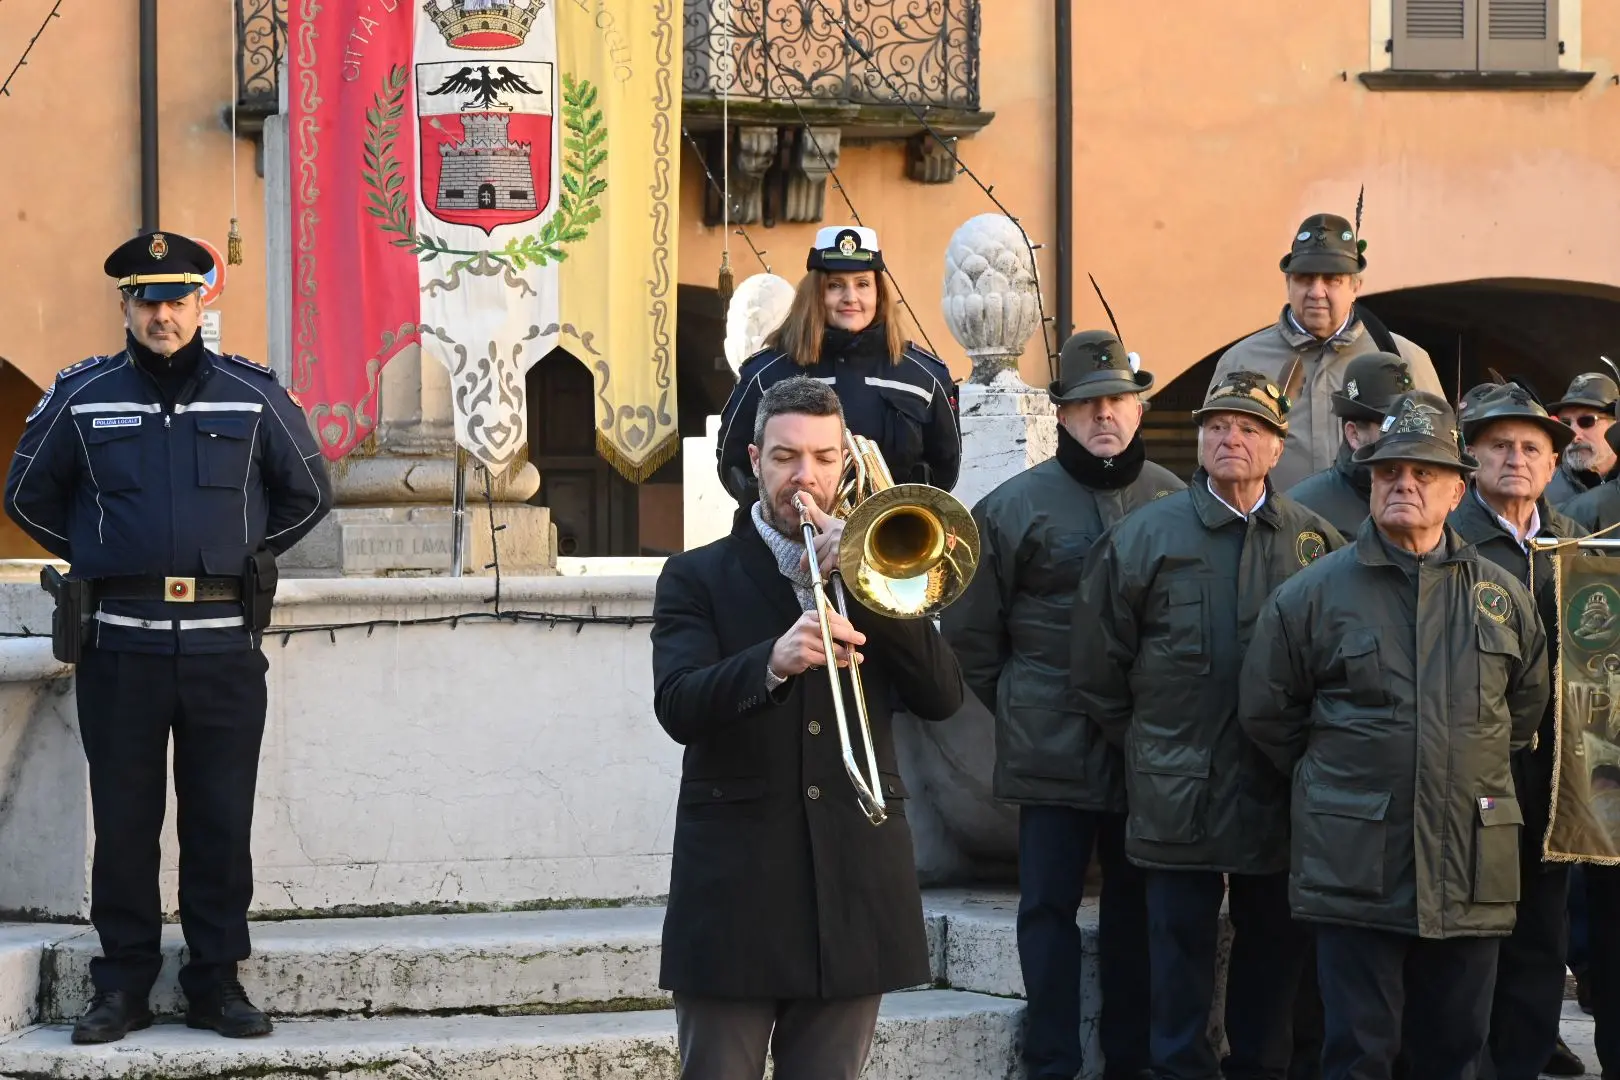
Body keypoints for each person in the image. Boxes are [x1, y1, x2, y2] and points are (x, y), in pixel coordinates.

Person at [3, 231, 333, 1043]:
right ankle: (121, 988)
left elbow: (308, 493)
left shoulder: (250, 395)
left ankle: (217, 983)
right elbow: (26, 496)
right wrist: (106, 554)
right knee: (124, 823)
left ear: (201, 302)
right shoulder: (84, 395)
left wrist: (238, 554)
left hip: (223, 644)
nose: (163, 313)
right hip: (122, 644)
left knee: (219, 821)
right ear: (125, 304)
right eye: (147, 299)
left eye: (178, 298)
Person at [650, 375, 965, 1080]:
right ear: (757, 459)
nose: (806, 477)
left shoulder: (881, 567)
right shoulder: (696, 577)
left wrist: (870, 591)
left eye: (825, 458)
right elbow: (677, 704)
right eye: (788, 457)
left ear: (844, 464)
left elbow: (943, 695)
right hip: (738, 890)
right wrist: (769, 662)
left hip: (853, 886)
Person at [1240, 391, 1549, 1080]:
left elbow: (1522, 715)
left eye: (1422, 474)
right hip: (1357, 860)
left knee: (1454, 1049)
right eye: (1388, 473)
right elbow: (1269, 712)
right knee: (1358, 1050)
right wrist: (1346, 779)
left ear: (1457, 489)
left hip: (1471, 858)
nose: (1403, 484)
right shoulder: (1313, 594)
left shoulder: (1500, 595)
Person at [1072, 370, 1343, 1080]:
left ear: (1278, 448)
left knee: (1275, 952)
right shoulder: (1146, 536)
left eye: (1250, 428)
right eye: (1217, 426)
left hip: (1278, 790)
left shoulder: (1318, 544)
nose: (1231, 438)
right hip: (1175, 789)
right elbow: (1100, 665)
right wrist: (1147, 745)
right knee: (1177, 956)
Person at [942, 329, 1183, 1080]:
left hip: (1146, 748)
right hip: (1049, 750)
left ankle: (1131, 1061)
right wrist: (1024, 703)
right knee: (1046, 909)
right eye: (1087, 404)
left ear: (1138, 407)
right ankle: (1050, 1062)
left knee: (1136, 911)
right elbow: (974, 637)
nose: (1104, 415)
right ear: (1062, 413)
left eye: (1116, 400)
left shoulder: (1175, 501)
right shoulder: (1012, 507)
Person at [1450, 384, 1589, 1080]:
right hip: (1477, 777)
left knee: (1542, 933)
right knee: (1476, 940)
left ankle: (1525, 1064)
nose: (1514, 459)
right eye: (1499, 445)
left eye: (1530, 447)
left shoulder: (1580, 548)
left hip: (1561, 782)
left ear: (1553, 461)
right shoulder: (1446, 544)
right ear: (1471, 454)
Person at [715, 226, 960, 502]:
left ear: (878, 293)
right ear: (815, 294)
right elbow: (733, 464)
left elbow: (945, 470)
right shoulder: (765, 374)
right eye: (835, 285)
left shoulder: (924, 377)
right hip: (791, 538)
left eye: (863, 284)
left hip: (891, 540)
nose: (850, 297)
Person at [1207, 212, 1443, 491]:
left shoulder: (1402, 358)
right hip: (1270, 528)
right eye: (1305, 279)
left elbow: (1439, 452)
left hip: (1373, 526)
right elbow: (1211, 454)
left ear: (1356, 286)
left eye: (1332, 280)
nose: (1317, 292)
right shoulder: (1241, 360)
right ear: (1288, 284)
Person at [1284, 351, 1413, 541]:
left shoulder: (1430, 501)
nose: (1404, 434)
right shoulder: (1302, 512)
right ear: (1353, 434)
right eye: (1390, 425)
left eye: (1410, 423)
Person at [1545, 371, 1620, 506]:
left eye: (1586, 421)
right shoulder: (1544, 494)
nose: (1574, 435)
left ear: (1615, 423)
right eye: (1566, 423)